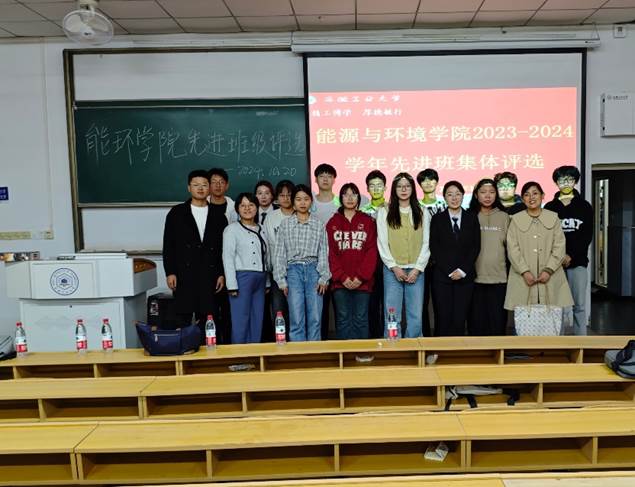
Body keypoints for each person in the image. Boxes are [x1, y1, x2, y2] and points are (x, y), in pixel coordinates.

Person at [162, 170, 226, 341]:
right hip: (184, 273)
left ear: (209, 188)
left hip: (209, 273)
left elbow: (222, 249)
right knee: (182, 316)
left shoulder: (218, 215)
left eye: (204, 185)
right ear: (189, 188)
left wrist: (221, 273)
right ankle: (184, 350)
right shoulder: (177, 213)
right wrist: (170, 272)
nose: (201, 188)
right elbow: (168, 245)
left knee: (208, 317)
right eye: (196, 185)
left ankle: (208, 351)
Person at [504, 181, 574, 329]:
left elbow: (559, 246)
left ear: (543, 196)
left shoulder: (553, 218)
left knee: (552, 320)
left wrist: (548, 270)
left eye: (535, 193)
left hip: (551, 276)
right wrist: (524, 271)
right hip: (522, 277)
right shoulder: (515, 220)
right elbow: (512, 249)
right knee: (523, 321)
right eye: (527, 195)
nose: (531, 197)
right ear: (522, 199)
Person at [274, 184, 330, 342]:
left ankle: (314, 352)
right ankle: (299, 353)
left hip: (314, 270)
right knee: (296, 317)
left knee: (315, 317)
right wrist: (281, 280)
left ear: (311, 201)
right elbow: (279, 253)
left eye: (306, 199)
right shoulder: (285, 224)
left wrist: (324, 277)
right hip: (293, 270)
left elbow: (323, 252)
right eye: (298, 199)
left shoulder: (318, 224)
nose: (302, 202)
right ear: (293, 202)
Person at [377, 172, 430, 338]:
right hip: (393, 271)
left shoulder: (422, 211)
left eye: (407, 186)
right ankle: (393, 344)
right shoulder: (384, 211)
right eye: (399, 186)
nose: (404, 189)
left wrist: (418, 268)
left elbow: (427, 242)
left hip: (416, 270)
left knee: (415, 315)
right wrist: (394, 267)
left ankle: (414, 347)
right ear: (394, 189)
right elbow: (382, 242)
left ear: (413, 189)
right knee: (392, 313)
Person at [544, 166, 593, 335]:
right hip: (555, 265)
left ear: (575, 181)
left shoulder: (584, 206)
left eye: (569, 179)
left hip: (578, 263)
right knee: (558, 307)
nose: (565, 183)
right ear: (556, 183)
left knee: (579, 305)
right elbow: (546, 236)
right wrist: (559, 256)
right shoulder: (549, 207)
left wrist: (570, 255)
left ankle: (581, 342)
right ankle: (559, 341)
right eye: (561, 180)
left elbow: (586, 235)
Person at [327, 183, 378, 340]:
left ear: (358, 198)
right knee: (343, 319)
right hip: (339, 283)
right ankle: (344, 353)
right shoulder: (332, 222)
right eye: (346, 194)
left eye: (353, 194)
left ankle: (362, 352)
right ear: (341, 198)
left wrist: (360, 277)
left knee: (361, 319)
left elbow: (372, 252)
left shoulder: (368, 221)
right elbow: (330, 253)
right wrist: (342, 277)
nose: (350, 198)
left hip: (363, 282)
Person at [430, 181, 481, 336]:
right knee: (442, 318)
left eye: (458, 194)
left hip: (465, 278)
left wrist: (462, 270)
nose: (454, 198)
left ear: (463, 196)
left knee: (460, 318)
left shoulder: (472, 218)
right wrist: (450, 270)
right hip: (442, 277)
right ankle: (440, 348)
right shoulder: (437, 219)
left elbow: (475, 247)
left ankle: (458, 349)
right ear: (444, 197)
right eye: (450, 194)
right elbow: (434, 247)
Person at [223, 193, 269, 344]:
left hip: (260, 279)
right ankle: (239, 354)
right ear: (237, 209)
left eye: (251, 205)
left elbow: (266, 255)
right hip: (242, 278)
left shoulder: (262, 228)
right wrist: (231, 285)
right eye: (243, 205)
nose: (247, 208)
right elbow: (228, 257)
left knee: (257, 318)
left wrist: (267, 281)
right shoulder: (232, 229)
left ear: (257, 208)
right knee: (240, 319)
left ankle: (254, 353)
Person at [467, 179, 510, 336]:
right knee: (476, 323)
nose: (487, 196)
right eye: (483, 192)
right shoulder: (469, 216)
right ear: (476, 195)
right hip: (474, 278)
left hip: (499, 278)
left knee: (497, 323)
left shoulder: (504, 217)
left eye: (492, 192)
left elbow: (511, 248)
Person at [263, 179, 295, 339]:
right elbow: (268, 246)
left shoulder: (301, 214)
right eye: (282, 195)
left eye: (289, 195)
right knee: (279, 311)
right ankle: (281, 344)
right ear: (276, 198)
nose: (286, 198)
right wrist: (270, 273)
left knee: (297, 311)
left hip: (298, 271)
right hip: (277, 273)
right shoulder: (271, 217)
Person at [311, 163, 340, 339]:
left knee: (339, 305)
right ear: (315, 179)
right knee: (319, 307)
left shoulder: (340, 202)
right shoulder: (309, 202)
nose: (325, 179)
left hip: (338, 260)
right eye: (322, 176)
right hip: (315, 262)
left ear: (334, 180)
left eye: (329, 176)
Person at [417, 168, 447, 336]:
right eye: (424, 180)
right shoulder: (415, 206)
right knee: (420, 302)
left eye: (431, 179)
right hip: (420, 261)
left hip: (440, 262)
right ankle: (424, 337)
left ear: (437, 182)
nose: (428, 183)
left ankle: (440, 338)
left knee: (440, 301)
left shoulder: (445, 204)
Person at [360, 170, 387, 339]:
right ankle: (374, 338)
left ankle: (389, 336)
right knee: (371, 302)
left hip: (389, 261)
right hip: (369, 262)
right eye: (372, 186)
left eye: (379, 185)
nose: (376, 189)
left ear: (385, 187)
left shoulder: (393, 209)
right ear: (367, 189)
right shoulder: (361, 211)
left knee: (389, 303)